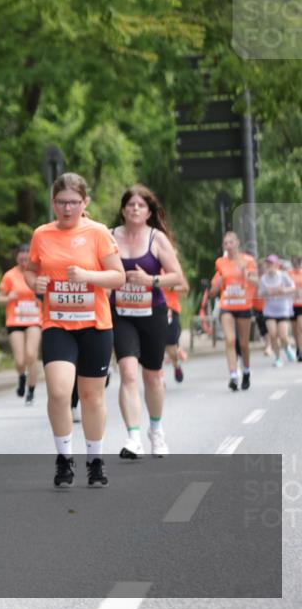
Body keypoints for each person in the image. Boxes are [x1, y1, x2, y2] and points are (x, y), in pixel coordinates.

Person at [24, 173, 125, 488]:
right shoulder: (42, 234)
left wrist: (87, 276)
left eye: (74, 202)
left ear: (85, 203)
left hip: (95, 324)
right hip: (57, 323)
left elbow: (118, 277)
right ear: (53, 203)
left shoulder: (97, 233)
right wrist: (35, 283)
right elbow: (29, 270)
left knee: (91, 395)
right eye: (61, 202)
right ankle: (64, 458)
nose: (67, 209)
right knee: (58, 391)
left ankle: (95, 459)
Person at [109, 185, 186, 460]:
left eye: (141, 206)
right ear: (122, 210)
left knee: (152, 376)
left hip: (152, 312)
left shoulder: (157, 239)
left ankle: (156, 430)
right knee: (128, 373)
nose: (135, 209)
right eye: (130, 205)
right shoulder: (109, 238)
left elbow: (177, 277)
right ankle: (133, 437)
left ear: (149, 212)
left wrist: (150, 280)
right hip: (121, 314)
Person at [209, 232, 259, 391]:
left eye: (231, 242)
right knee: (230, 340)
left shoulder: (248, 260)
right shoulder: (220, 262)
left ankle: (246, 371)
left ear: (237, 243)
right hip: (227, 306)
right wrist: (218, 285)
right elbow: (212, 291)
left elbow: (257, 283)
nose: (229, 246)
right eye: (226, 243)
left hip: (244, 305)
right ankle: (233, 375)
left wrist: (246, 275)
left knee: (244, 344)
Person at [0, 244, 42, 405]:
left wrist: (41, 298)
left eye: (26, 257)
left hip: (34, 319)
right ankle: (22, 376)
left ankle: (31, 390)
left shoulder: (37, 273)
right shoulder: (10, 275)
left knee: (31, 354)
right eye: (21, 257)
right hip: (15, 320)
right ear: (17, 258)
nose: (24, 260)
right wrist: (8, 298)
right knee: (20, 360)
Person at [257, 254, 297, 367]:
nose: (269, 265)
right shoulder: (264, 278)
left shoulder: (283, 276)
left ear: (276, 264)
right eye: (267, 263)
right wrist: (267, 292)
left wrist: (283, 290)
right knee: (273, 334)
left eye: (271, 263)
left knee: (283, 335)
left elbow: (293, 288)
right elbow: (259, 294)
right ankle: (278, 358)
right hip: (269, 311)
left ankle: (287, 347)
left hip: (283, 309)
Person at [162, 280, 189, 383]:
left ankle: (176, 364)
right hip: (151, 309)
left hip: (170, 309)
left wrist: (171, 287)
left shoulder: (170, 267)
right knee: (155, 345)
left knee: (171, 347)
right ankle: (159, 378)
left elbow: (185, 288)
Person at [292, 256, 302, 362]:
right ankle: (298, 348)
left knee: (300, 327)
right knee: (295, 330)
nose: (296, 266)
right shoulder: (289, 274)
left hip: (301, 305)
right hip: (291, 305)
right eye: (294, 263)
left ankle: (301, 351)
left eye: (297, 263)